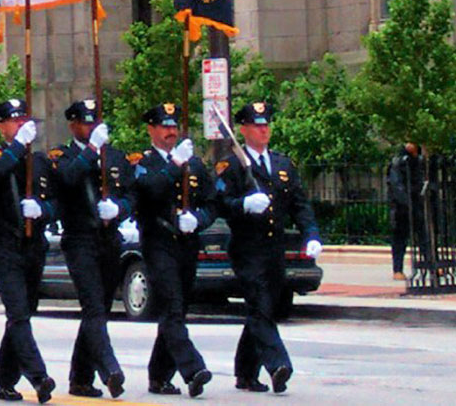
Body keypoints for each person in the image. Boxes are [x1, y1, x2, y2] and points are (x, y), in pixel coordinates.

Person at [215, 101, 322, 394]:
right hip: (247, 249)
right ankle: (277, 364)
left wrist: (311, 234)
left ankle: (245, 373)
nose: (264, 130)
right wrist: (243, 205)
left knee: (265, 308)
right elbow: (220, 203)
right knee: (260, 306)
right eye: (258, 125)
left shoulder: (283, 164)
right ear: (245, 129)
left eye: (266, 125)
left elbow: (300, 205)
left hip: (274, 249)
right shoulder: (232, 166)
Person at [49, 99, 133, 399]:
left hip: (108, 239)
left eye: (95, 122)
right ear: (73, 125)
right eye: (85, 122)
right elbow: (66, 179)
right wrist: (90, 151)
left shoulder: (115, 156)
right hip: (80, 239)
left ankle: (80, 379)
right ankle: (109, 368)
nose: (91, 127)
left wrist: (119, 208)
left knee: (100, 309)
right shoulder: (63, 155)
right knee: (94, 306)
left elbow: (130, 194)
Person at [132, 103, 215, 398]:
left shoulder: (194, 163)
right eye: (164, 127)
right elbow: (148, 189)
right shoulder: (142, 161)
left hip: (187, 244)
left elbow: (211, 201)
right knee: (172, 305)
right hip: (158, 243)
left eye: (173, 126)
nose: (170, 132)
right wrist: (173, 166)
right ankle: (193, 369)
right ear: (151, 129)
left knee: (174, 311)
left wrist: (199, 220)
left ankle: (158, 376)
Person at [0, 99, 57, 404]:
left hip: (33, 245)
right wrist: (17, 147)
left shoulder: (39, 161)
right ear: (1, 126)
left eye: (25, 119)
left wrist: (43, 209)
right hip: (5, 246)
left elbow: (56, 201)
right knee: (19, 314)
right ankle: (38, 376)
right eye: (15, 121)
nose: (23, 125)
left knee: (23, 315)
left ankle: (4, 380)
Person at [387, 142, 426, 280]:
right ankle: (397, 269)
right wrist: (406, 202)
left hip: (417, 204)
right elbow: (396, 186)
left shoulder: (420, 160)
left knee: (424, 236)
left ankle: (430, 265)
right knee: (400, 238)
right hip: (401, 208)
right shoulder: (398, 162)